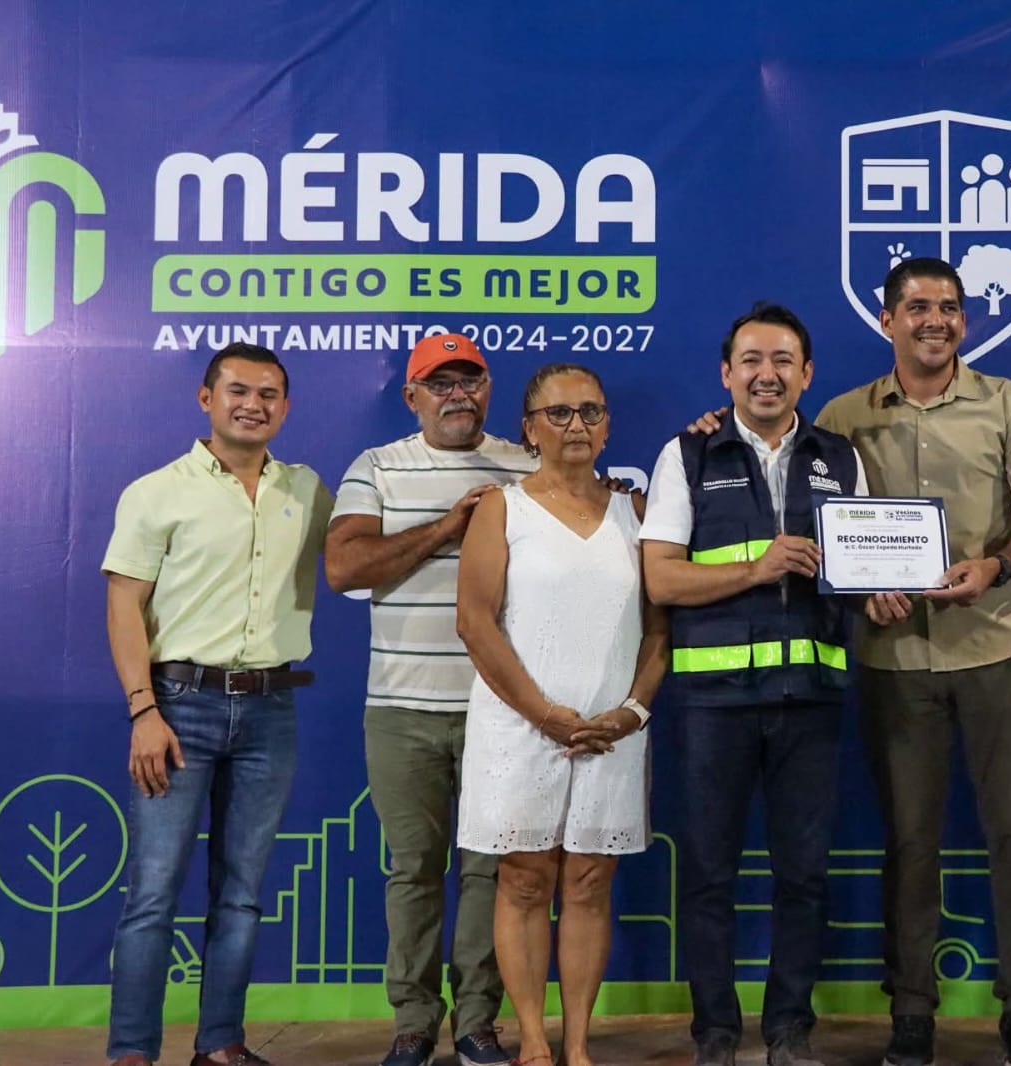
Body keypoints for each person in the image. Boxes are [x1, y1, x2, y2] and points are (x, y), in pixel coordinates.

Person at [814, 257, 1011, 1066]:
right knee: (909, 840)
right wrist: (863, 592)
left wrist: (995, 565)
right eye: (918, 307)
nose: (935, 320)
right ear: (887, 320)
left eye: (949, 307)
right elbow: (825, 530)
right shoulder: (843, 416)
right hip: (895, 656)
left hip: (1001, 645)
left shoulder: (1010, 404)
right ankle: (911, 1011)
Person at [642, 303, 867, 1066]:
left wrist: (880, 591)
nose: (765, 375)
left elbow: (858, 569)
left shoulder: (840, 457)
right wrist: (755, 568)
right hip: (715, 704)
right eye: (750, 360)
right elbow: (661, 578)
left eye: (781, 361)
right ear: (725, 373)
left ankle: (788, 1030)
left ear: (806, 374)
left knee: (803, 876)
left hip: (810, 697)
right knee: (709, 876)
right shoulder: (688, 454)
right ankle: (714, 1033)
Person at [101, 343, 332, 1066]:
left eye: (268, 394)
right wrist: (143, 711)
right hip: (177, 708)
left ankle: (220, 1046)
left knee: (242, 893)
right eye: (238, 390)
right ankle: (132, 1052)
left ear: (285, 408)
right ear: (207, 399)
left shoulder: (308, 490)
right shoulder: (156, 492)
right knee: (153, 892)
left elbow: (363, 552)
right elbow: (124, 604)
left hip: (270, 710)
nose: (253, 405)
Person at [325, 333, 532, 1066]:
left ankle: (477, 1023)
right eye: (439, 383)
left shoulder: (526, 466)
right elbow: (344, 566)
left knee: (488, 870)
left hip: (501, 709)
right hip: (401, 710)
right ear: (411, 396)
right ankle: (413, 1022)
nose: (457, 395)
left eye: (469, 381)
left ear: (488, 389)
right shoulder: (377, 466)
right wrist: (449, 526)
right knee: (412, 869)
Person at [456, 363, 670, 1066]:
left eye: (589, 412)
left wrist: (633, 711)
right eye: (558, 413)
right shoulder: (501, 509)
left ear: (607, 426)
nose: (575, 425)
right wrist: (544, 715)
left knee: (588, 881)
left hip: (612, 732)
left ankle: (577, 1043)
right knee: (523, 879)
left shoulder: (638, 514)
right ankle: (532, 1041)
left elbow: (661, 629)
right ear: (529, 429)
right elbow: (475, 623)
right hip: (520, 728)